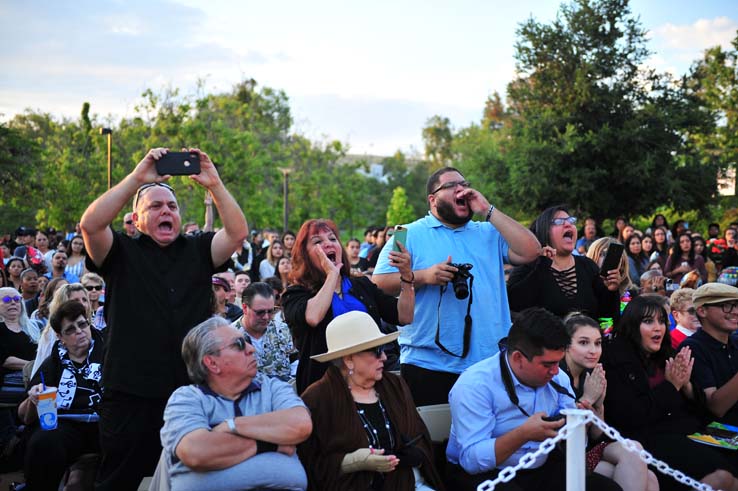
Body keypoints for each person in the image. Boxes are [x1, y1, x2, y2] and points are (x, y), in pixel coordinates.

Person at [79, 147, 248, 489]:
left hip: (190, 390)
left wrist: (214, 184)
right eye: (154, 206)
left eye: (171, 205)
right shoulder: (120, 252)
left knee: (190, 479)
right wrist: (137, 178)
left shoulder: (198, 250)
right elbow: (90, 224)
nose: (165, 210)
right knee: (120, 480)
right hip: (129, 393)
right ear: (137, 220)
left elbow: (236, 233)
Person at [372, 167, 540, 406]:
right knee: (433, 439)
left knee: (491, 440)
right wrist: (424, 276)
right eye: (452, 186)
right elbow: (379, 283)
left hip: (489, 362)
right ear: (432, 199)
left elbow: (532, 251)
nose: (462, 189)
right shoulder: (406, 233)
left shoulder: (488, 231)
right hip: (428, 364)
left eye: (465, 183)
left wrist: (487, 210)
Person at [445, 308, 621, 491]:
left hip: (540, 466)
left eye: (558, 362)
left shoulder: (558, 378)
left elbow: (572, 442)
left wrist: (578, 424)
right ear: (518, 358)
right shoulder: (475, 385)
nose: (555, 371)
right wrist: (523, 434)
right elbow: (471, 461)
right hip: (486, 474)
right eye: (547, 365)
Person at [602, 295, 738, 491]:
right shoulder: (615, 360)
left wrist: (687, 388)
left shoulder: (667, 355)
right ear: (632, 325)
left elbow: (700, 411)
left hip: (688, 431)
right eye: (648, 322)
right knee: (722, 476)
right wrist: (671, 386)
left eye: (662, 321)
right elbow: (631, 416)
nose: (658, 327)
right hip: (647, 440)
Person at [160, 316, 311, 491]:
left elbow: (301, 424)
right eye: (239, 345)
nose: (251, 349)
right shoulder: (187, 399)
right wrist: (269, 444)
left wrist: (231, 425)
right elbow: (196, 452)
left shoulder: (271, 387)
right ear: (212, 363)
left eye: (247, 341)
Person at [300, 311, 444, 491]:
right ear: (349, 360)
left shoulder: (394, 385)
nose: (384, 357)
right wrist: (353, 463)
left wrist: (415, 453)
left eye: (384, 348)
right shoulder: (318, 399)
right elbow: (312, 463)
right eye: (376, 351)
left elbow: (419, 435)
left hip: (409, 483)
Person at [283, 218, 414, 394]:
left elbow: (404, 316)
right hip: (325, 388)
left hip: (369, 382)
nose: (328, 244)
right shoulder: (295, 294)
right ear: (305, 254)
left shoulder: (361, 285)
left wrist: (406, 277)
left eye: (332, 239)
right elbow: (313, 317)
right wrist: (332, 275)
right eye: (318, 241)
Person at [560, 314, 658, 491]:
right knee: (646, 477)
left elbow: (598, 434)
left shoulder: (590, 376)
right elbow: (561, 437)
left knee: (642, 463)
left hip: (587, 450)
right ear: (566, 346)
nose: (593, 350)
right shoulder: (556, 375)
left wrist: (599, 405)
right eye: (583, 343)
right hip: (562, 457)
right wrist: (587, 399)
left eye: (597, 343)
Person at [18, 300, 104, 491]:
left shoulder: (108, 352)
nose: (79, 331)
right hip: (66, 426)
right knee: (43, 442)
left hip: (105, 423)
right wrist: (33, 400)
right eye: (70, 330)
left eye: (82, 324)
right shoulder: (54, 363)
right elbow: (24, 417)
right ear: (60, 337)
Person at [508, 206, 620, 320]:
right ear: (544, 231)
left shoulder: (588, 266)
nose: (568, 224)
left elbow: (607, 315)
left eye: (571, 221)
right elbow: (514, 305)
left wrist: (611, 291)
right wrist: (542, 266)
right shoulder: (528, 266)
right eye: (558, 222)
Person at [681, 283, 738, 427]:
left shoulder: (735, 342)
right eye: (727, 305)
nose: (735, 311)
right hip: (716, 435)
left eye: (737, 305)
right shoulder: (692, 348)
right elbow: (716, 407)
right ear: (702, 311)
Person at [231, 282, 295, 382]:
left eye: (270, 311)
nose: (266, 317)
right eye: (260, 312)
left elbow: (295, 360)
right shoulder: (230, 337)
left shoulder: (282, 329)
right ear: (245, 308)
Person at [31, 282, 92, 378]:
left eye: (84, 300)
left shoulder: (93, 329)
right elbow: (44, 371)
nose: (83, 304)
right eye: (76, 300)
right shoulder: (52, 332)